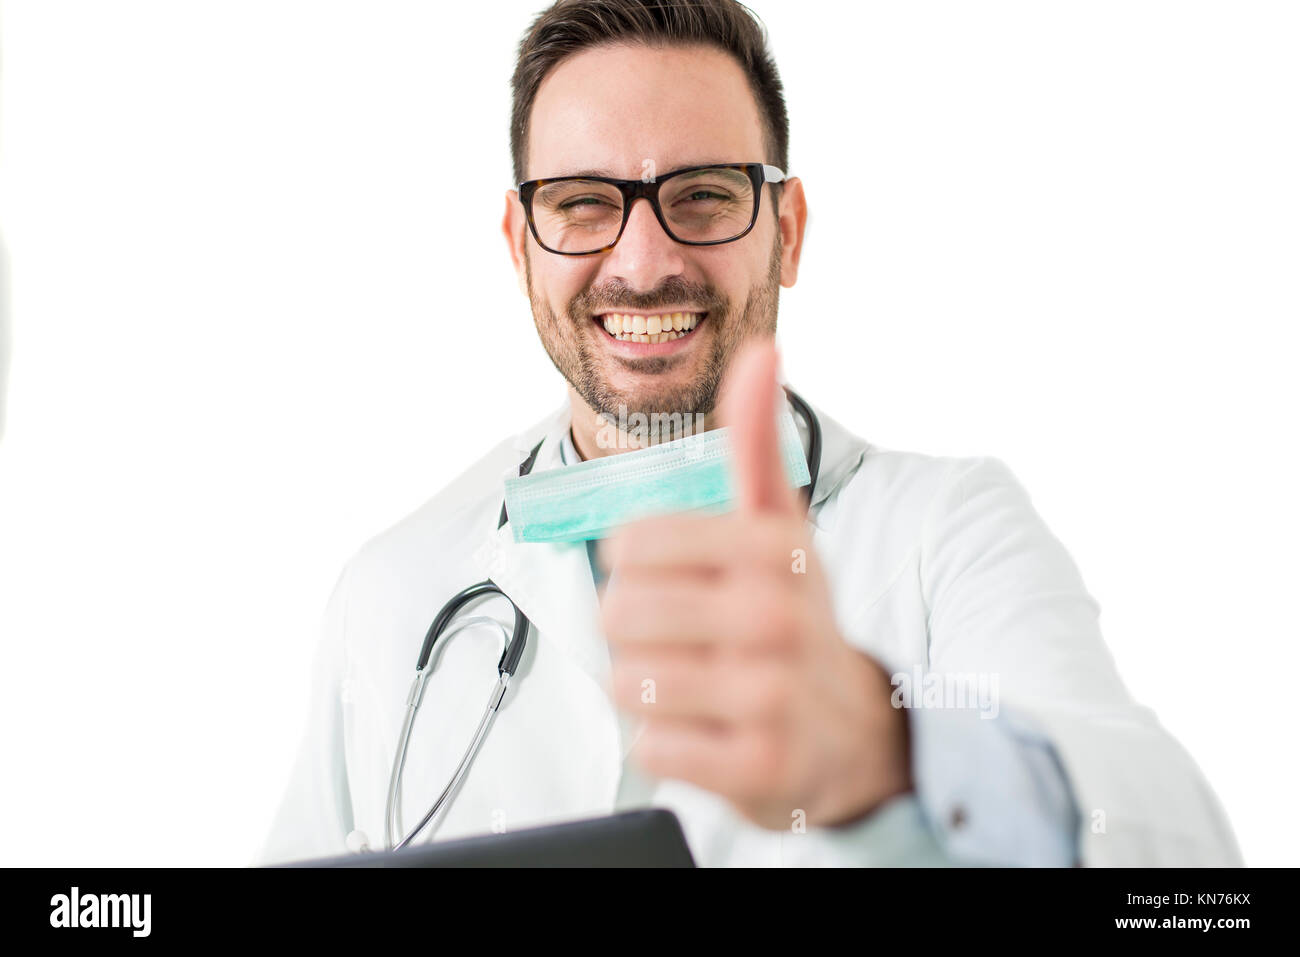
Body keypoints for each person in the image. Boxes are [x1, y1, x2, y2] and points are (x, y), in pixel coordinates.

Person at [257, 0, 1241, 867]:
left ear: (789, 229)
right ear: (522, 248)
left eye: (703, 196)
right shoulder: (391, 593)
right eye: (583, 204)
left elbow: (1184, 868)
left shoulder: (945, 535)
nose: (642, 264)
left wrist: (888, 753)